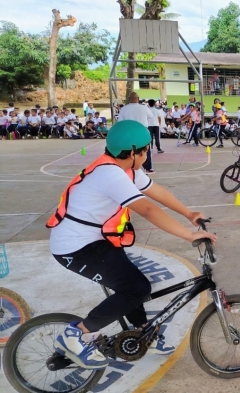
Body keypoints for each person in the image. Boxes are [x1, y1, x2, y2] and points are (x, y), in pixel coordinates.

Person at [47, 120, 216, 369]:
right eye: (146, 150)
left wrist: (188, 213)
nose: (147, 155)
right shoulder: (109, 174)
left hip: (94, 240)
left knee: (131, 282)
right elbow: (148, 209)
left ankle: (142, 333)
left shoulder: (124, 169)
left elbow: (157, 191)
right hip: (75, 247)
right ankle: (75, 334)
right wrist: (188, 235)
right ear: (134, 151)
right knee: (136, 288)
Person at [118, 92, 155, 175]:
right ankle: (148, 168)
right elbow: (151, 116)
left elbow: (120, 121)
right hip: (142, 130)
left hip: (129, 131)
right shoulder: (144, 107)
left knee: (129, 149)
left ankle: (128, 167)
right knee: (145, 149)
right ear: (138, 99)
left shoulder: (124, 109)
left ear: (129, 99)